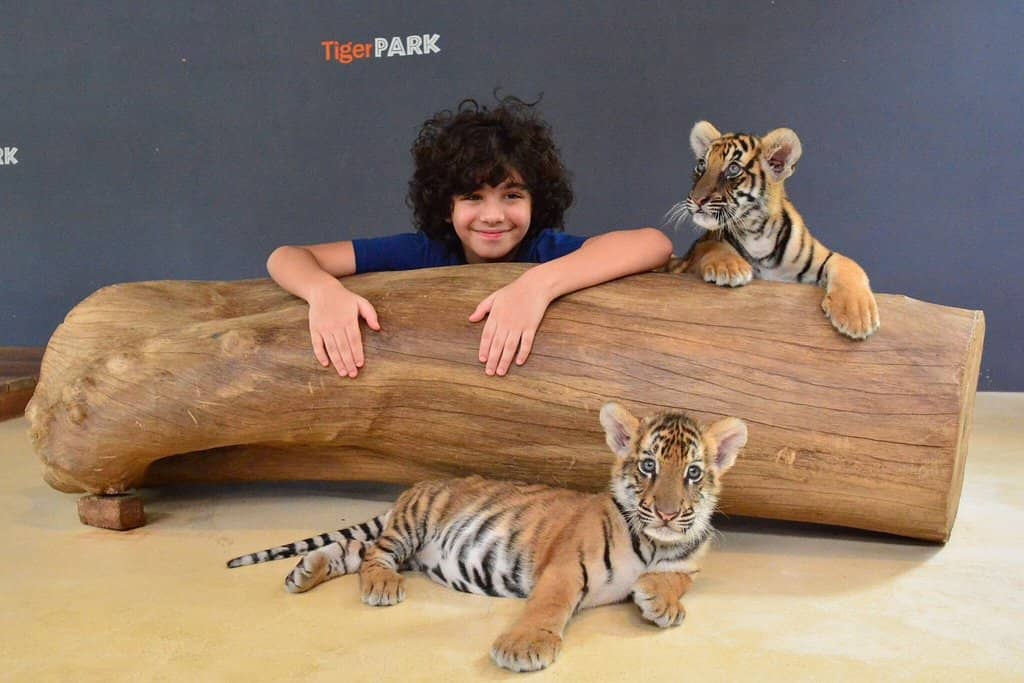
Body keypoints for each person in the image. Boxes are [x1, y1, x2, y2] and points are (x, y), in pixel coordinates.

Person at [267, 96, 672, 378]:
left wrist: (535, 286)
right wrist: (323, 293)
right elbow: (286, 256)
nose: (493, 216)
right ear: (446, 205)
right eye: (473, 197)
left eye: (512, 196)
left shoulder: (543, 251)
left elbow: (654, 244)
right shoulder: (425, 251)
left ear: (537, 200)